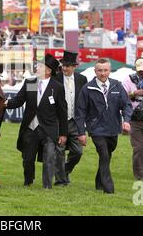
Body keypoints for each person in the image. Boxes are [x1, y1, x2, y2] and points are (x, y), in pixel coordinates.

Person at [5, 54, 67, 189]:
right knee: (27, 158)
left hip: (49, 129)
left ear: (48, 70)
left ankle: (47, 185)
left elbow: (62, 112)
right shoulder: (31, 83)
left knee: (49, 158)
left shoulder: (57, 87)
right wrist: (6, 103)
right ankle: (28, 180)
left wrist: (63, 133)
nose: (36, 68)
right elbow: (19, 100)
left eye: (40, 66)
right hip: (31, 128)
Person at [76, 58, 133, 194]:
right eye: (100, 70)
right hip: (96, 129)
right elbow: (80, 112)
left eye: (105, 70)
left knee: (106, 155)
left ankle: (99, 182)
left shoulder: (117, 86)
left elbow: (126, 105)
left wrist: (126, 120)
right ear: (95, 71)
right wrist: (81, 132)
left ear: (110, 71)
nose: (102, 73)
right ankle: (109, 189)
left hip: (113, 128)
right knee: (104, 155)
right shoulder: (87, 88)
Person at [54, 51, 88, 186]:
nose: (64, 68)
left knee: (78, 152)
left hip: (75, 121)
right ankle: (60, 180)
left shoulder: (82, 79)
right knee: (59, 151)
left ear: (74, 66)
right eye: (63, 65)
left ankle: (65, 171)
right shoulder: (55, 78)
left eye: (67, 66)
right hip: (58, 121)